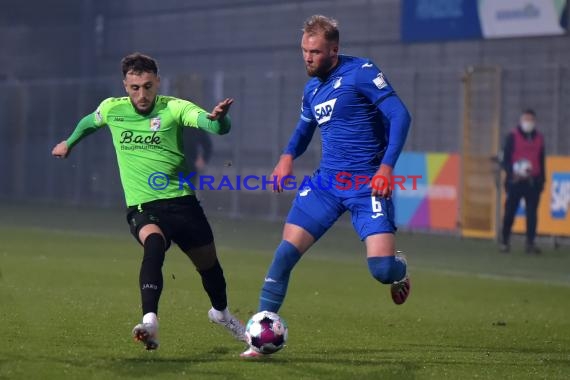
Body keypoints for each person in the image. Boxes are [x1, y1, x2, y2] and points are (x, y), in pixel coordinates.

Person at [241, 15, 412, 357]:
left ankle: (400, 269)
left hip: (367, 186)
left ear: (334, 50)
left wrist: (387, 167)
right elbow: (304, 131)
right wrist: (287, 157)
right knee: (285, 253)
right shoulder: (312, 89)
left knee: (380, 270)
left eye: (315, 52)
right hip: (326, 185)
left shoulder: (362, 72)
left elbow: (400, 115)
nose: (307, 57)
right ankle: (262, 335)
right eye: (304, 50)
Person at [51, 52, 246, 350]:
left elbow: (213, 125)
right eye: (134, 88)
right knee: (153, 245)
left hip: (183, 203)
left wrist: (221, 120)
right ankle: (150, 322)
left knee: (209, 267)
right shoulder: (112, 109)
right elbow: (89, 122)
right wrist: (69, 142)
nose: (142, 94)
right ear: (125, 86)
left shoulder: (174, 108)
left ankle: (220, 313)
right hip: (144, 206)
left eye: (147, 86)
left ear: (158, 82)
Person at [500, 109, 545, 254]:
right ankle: (505, 241)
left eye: (531, 120)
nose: (528, 123)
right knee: (509, 213)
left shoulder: (539, 138)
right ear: (521, 120)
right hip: (515, 182)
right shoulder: (512, 136)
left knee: (532, 214)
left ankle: (530, 243)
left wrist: (542, 179)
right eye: (526, 119)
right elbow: (505, 159)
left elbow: (541, 160)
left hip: (533, 182)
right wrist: (512, 171)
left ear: (535, 121)